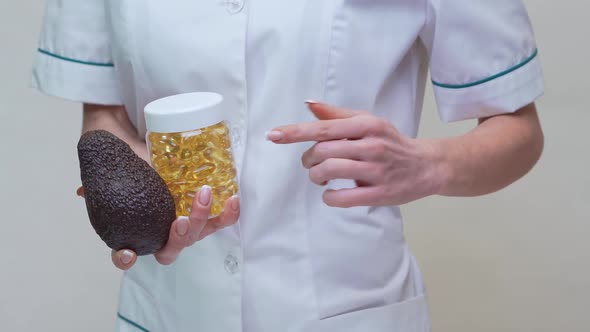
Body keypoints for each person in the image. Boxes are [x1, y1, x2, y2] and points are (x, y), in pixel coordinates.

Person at [32, 1, 545, 331]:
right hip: (167, 310)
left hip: (350, 306)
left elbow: (518, 129)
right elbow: (103, 112)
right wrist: (124, 169)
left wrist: (431, 165)